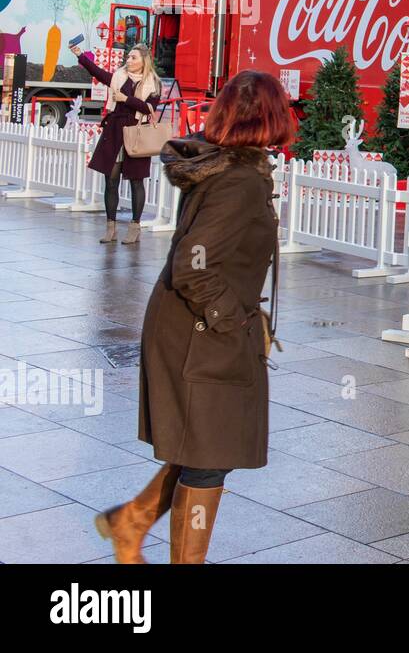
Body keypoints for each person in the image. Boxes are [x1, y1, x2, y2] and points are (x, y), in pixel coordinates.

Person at [92, 70, 294, 564]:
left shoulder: (226, 166)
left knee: (203, 444)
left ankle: (130, 523)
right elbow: (193, 262)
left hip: (190, 326)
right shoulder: (240, 179)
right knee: (210, 457)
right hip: (201, 331)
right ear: (268, 118)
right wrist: (231, 316)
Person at [71, 42, 161, 245]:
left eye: (133, 58)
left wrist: (126, 98)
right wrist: (80, 55)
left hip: (136, 134)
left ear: (143, 61)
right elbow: (98, 73)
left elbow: (150, 109)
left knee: (136, 181)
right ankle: (110, 227)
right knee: (111, 180)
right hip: (115, 132)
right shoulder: (118, 77)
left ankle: (134, 227)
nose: (128, 61)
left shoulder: (153, 83)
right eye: (128, 57)